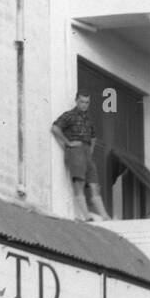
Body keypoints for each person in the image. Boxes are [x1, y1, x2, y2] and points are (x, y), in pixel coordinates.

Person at [51, 91, 109, 221]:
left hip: (87, 152)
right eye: (82, 102)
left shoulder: (88, 119)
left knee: (94, 184)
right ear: (76, 101)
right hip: (76, 151)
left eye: (87, 102)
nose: (84, 105)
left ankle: (104, 216)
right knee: (79, 182)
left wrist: (91, 150)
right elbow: (55, 128)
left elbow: (93, 137)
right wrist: (68, 143)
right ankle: (86, 216)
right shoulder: (69, 115)